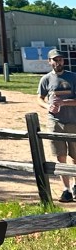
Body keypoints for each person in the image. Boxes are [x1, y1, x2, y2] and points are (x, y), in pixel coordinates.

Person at [37, 50, 76, 202]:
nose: (58, 62)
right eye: (55, 60)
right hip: (55, 122)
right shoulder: (46, 79)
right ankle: (66, 189)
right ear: (49, 62)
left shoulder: (73, 77)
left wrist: (64, 103)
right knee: (61, 156)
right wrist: (48, 106)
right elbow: (39, 98)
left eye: (60, 59)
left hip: (73, 121)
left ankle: (75, 185)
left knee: (75, 156)